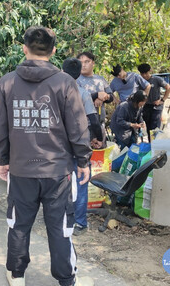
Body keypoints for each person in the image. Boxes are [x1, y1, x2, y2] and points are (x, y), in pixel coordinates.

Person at [0, 26, 94, 286]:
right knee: (60, 227)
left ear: (24, 48)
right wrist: (83, 160)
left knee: (18, 224)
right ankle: (66, 279)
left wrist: (2, 160)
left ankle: (16, 275)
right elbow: (78, 126)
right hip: (57, 172)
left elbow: (1, 127)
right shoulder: (65, 82)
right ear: (54, 51)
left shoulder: (7, 82)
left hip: (21, 171)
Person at [62, 57, 103, 237]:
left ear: (62, 71)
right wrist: (98, 139)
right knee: (81, 182)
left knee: (60, 183)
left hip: (58, 146)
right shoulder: (83, 93)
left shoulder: (54, 91)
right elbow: (94, 120)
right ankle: (79, 223)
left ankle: (62, 218)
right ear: (79, 74)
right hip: (80, 144)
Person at [76, 51, 113, 146]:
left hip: (100, 124)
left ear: (93, 63)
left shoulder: (100, 79)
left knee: (101, 155)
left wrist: (103, 97)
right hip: (85, 126)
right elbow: (77, 99)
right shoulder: (76, 80)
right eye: (80, 62)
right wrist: (96, 95)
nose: (83, 65)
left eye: (86, 62)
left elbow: (111, 97)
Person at [137, 63, 170, 134]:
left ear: (149, 71)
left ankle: (156, 142)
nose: (144, 75)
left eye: (146, 73)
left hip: (156, 107)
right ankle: (150, 143)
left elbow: (168, 88)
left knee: (155, 127)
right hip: (146, 107)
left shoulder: (156, 79)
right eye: (142, 74)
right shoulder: (140, 81)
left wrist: (162, 100)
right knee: (148, 127)